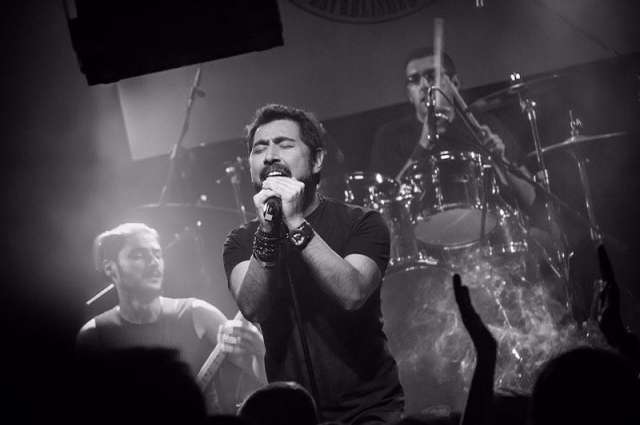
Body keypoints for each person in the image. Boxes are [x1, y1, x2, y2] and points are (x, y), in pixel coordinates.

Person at [223, 104, 404, 425]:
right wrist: (268, 229)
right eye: (259, 149)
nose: (270, 156)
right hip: (292, 414)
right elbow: (253, 307)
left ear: (317, 160)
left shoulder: (361, 223)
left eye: (284, 145)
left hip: (370, 409)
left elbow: (352, 293)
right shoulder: (240, 241)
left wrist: (295, 221)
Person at [76, 222, 267, 414]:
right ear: (110, 268)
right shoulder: (94, 335)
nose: (153, 263)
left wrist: (259, 354)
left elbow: (265, 384)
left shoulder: (198, 315)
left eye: (157, 254)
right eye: (138, 255)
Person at [369, 46, 536, 211]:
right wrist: (422, 146)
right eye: (414, 80)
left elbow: (530, 198)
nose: (424, 85)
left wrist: (501, 161)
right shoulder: (390, 135)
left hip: (489, 223)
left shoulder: (484, 125)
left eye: (431, 76)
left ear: (455, 83)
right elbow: (382, 205)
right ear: (409, 94)